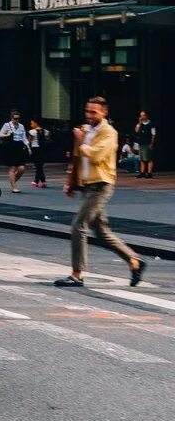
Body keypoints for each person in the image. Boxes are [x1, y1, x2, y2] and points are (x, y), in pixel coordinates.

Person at [54, 96, 147, 288]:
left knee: (78, 225)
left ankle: (76, 274)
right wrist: (71, 182)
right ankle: (134, 261)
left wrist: (81, 140)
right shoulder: (86, 130)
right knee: (101, 231)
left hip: (101, 185)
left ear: (104, 112)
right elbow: (78, 157)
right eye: (87, 111)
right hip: (88, 185)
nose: (89, 115)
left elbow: (96, 156)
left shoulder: (109, 133)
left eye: (93, 112)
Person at [0, 111, 29, 194]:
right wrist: (6, 135)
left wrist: (28, 148)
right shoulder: (7, 125)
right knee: (12, 168)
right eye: (15, 118)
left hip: (19, 147)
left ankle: (12, 181)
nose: (17, 120)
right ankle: (14, 187)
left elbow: (24, 137)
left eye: (18, 118)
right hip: (10, 146)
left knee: (22, 168)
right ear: (11, 118)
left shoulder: (21, 126)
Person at [133, 111, 156, 179]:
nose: (142, 117)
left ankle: (149, 173)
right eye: (141, 116)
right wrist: (139, 123)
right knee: (142, 158)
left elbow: (153, 134)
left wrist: (152, 143)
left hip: (147, 143)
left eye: (143, 115)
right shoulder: (140, 124)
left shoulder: (151, 124)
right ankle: (142, 173)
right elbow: (136, 131)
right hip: (141, 143)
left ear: (146, 116)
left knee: (148, 158)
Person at [28, 119, 49, 188]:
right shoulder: (46, 131)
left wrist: (28, 149)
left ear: (36, 123)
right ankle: (41, 181)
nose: (31, 125)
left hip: (35, 149)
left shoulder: (32, 132)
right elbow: (47, 139)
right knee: (40, 165)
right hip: (43, 149)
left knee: (38, 166)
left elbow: (29, 141)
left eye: (32, 123)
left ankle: (38, 181)